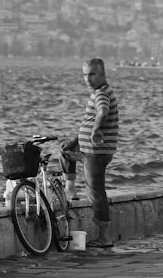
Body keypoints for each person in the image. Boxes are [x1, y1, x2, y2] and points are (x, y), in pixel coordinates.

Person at [61, 58, 120, 248]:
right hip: (89, 150)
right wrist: (75, 140)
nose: (88, 79)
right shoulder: (98, 93)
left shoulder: (101, 94)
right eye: (85, 74)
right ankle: (70, 189)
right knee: (65, 152)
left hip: (96, 151)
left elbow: (102, 112)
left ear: (102, 74)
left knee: (95, 192)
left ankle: (105, 236)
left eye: (92, 74)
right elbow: (93, 117)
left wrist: (95, 130)